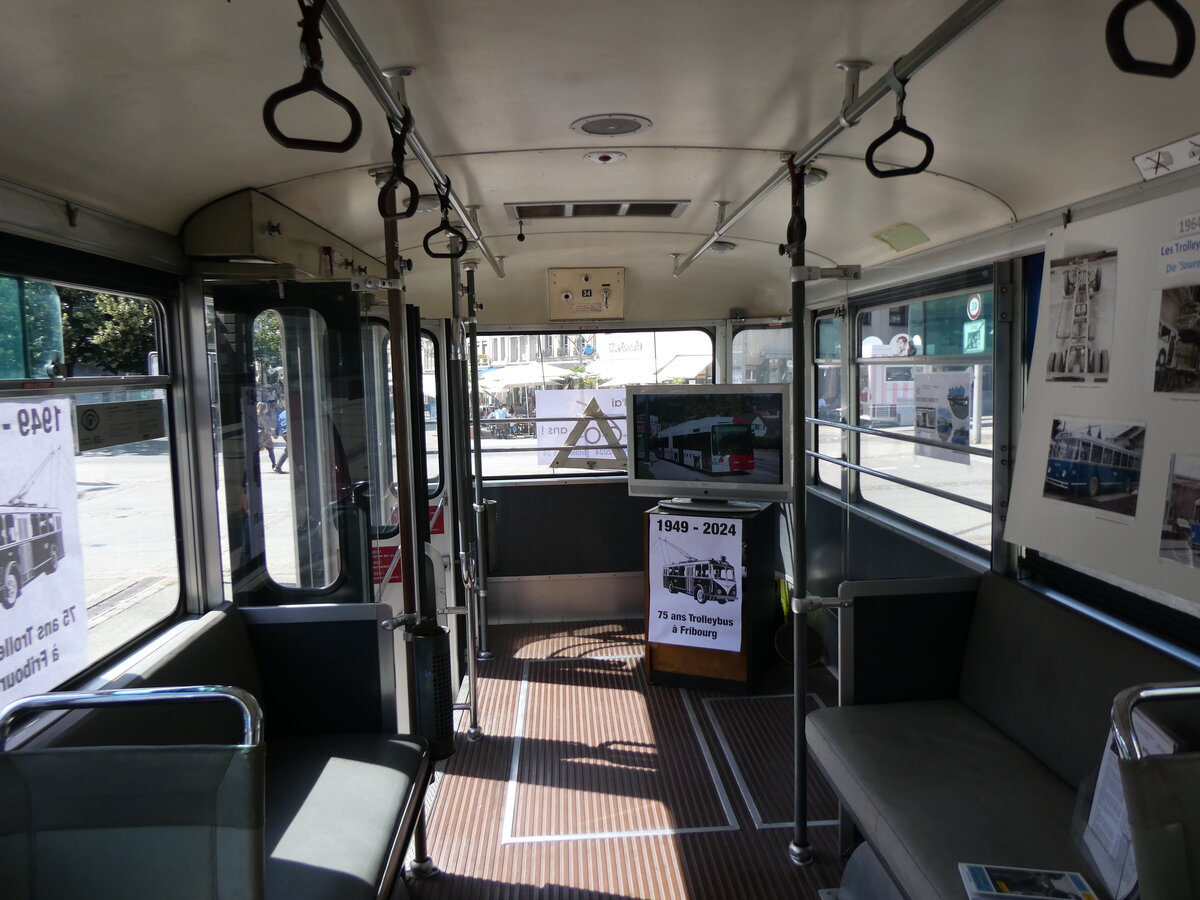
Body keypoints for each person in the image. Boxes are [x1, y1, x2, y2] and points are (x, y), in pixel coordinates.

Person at [256, 401, 277, 469]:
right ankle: (274, 464)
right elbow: (266, 428)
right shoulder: (264, 417)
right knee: (270, 450)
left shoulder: (256, 415)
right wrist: (273, 434)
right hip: (264, 435)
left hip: (256, 434)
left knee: (255, 451)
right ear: (264, 408)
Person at [274, 400, 288, 473]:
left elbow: (278, 425)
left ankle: (278, 467)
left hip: (284, 434)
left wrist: (276, 433)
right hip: (289, 433)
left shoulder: (281, 414)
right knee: (288, 451)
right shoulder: (290, 412)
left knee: (288, 451)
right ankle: (278, 467)